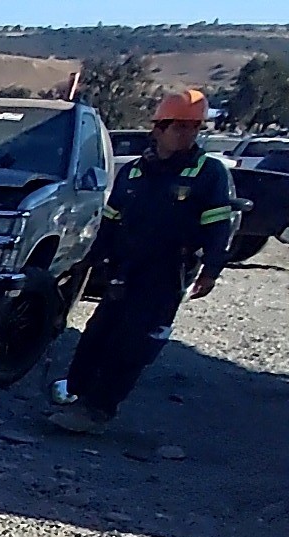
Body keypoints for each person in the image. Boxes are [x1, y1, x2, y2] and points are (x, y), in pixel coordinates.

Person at [52, 88, 235, 434]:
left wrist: (211, 270)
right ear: (159, 128)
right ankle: (76, 394)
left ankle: (98, 411)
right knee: (98, 335)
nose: (187, 134)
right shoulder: (134, 173)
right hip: (124, 270)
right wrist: (89, 260)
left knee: (133, 344)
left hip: (166, 274)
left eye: (193, 127)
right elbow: (110, 220)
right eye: (179, 126)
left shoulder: (208, 174)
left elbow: (218, 227)